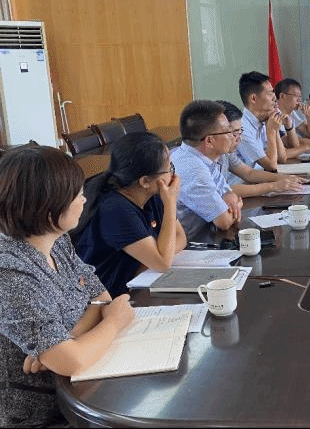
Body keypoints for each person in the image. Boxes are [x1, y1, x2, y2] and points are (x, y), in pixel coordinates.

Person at [0, 146, 134, 427]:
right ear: (47, 206)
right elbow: (73, 361)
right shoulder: (10, 273)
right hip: (44, 414)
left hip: (84, 383)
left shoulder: (56, 239)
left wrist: (66, 341)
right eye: (76, 194)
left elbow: (101, 296)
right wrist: (114, 322)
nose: (84, 199)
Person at [73, 132, 187, 296]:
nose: (174, 175)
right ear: (145, 181)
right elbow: (163, 263)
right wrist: (170, 203)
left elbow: (181, 237)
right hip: (111, 297)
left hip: (139, 284)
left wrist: (155, 258)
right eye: (169, 169)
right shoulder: (115, 209)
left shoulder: (153, 195)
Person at [171, 99, 244, 238]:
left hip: (205, 234)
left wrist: (231, 199)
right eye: (228, 131)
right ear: (209, 141)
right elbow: (224, 222)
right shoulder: (193, 169)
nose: (233, 136)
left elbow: (228, 192)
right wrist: (237, 206)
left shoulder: (202, 157)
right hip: (189, 244)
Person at [216, 100, 305, 197]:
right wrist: (274, 186)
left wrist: (283, 178)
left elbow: (249, 173)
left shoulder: (226, 154)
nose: (239, 138)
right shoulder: (205, 160)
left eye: (239, 132)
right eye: (234, 133)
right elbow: (224, 190)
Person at [235, 71, 310, 170]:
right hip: (246, 179)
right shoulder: (242, 128)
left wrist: (281, 128)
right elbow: (271, 165)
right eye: (270, 93)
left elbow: (282, 154)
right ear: (253, 98)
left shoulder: (263, 119)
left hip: (261, 174)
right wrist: (272, 131)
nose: (275, 98)